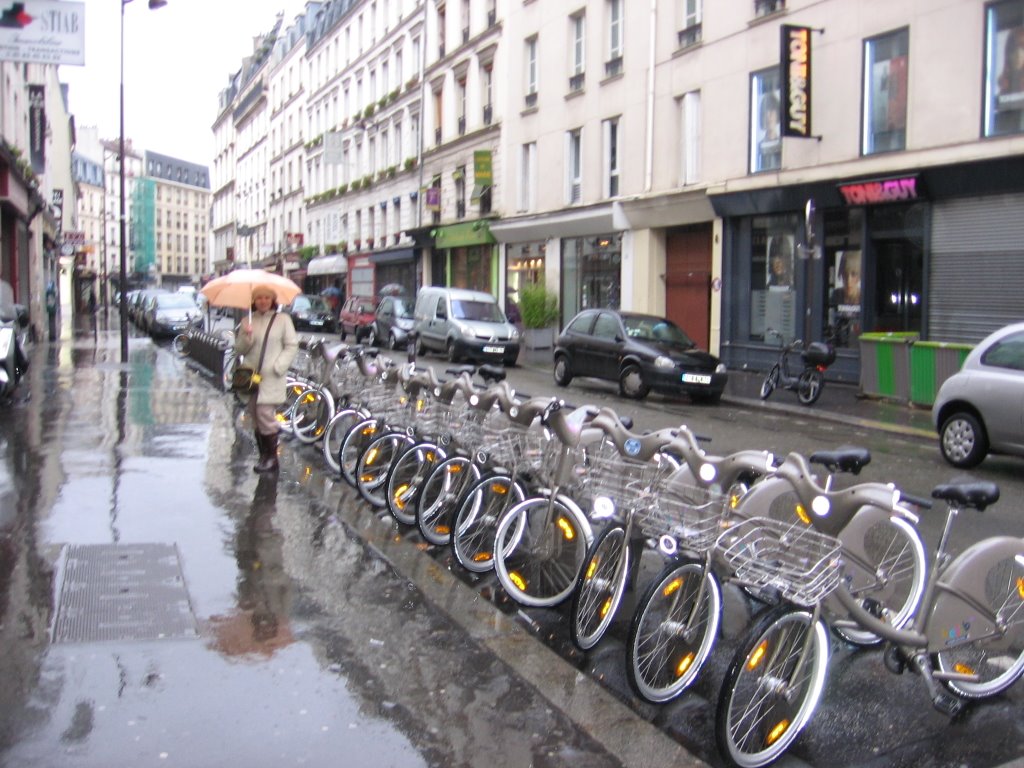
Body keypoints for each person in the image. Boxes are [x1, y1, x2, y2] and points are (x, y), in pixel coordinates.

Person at [234, 284, 298, 473]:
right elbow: (240, 350)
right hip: (251, 377)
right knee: (255, 415)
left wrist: (278, 366)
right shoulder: (248, 320)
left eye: (266, 298)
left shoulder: (283, 320)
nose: (263, 301)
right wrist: (246, 336)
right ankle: (263, 456)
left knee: (265, 415)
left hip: (271, 377)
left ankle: (272, 458)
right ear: (254, 300)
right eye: (259, 298)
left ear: (272, 300)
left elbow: (291, 345)